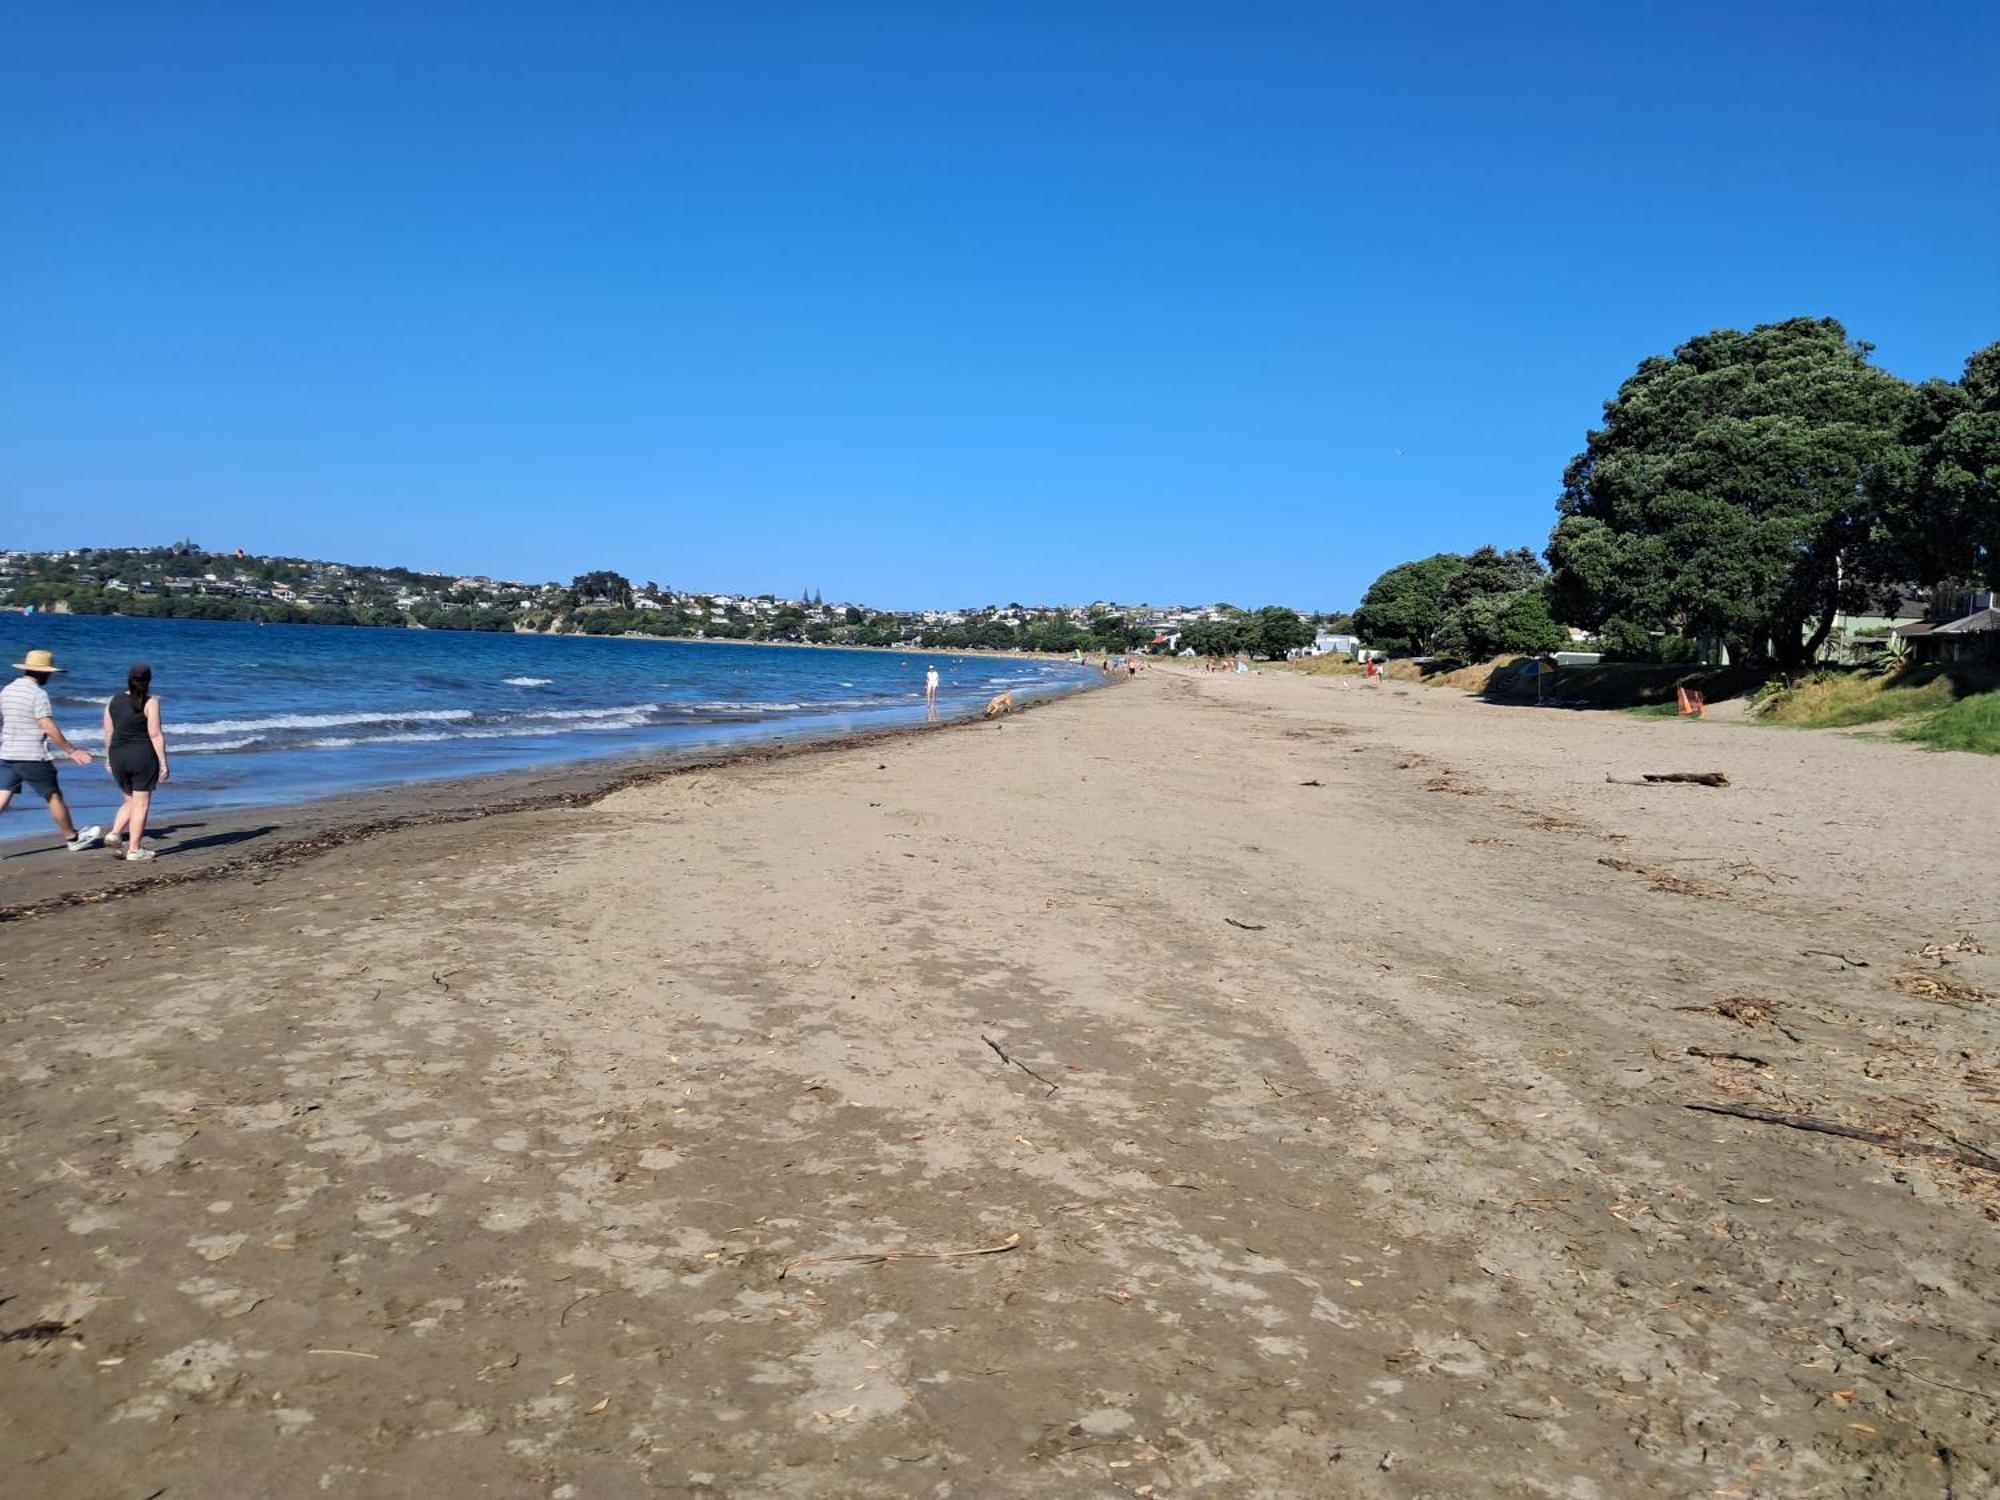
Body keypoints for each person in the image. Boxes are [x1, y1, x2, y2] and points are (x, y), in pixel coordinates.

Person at [0, 648, 102, 851]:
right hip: (32, 755)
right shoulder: (38, 694)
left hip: (7, 752)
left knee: (3, 795)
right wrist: (71, 750)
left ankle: (72, 837)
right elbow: (46, 724)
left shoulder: (7, 690)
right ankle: (73, 838)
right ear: (44, 672)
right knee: (53, 795)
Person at [102, 662, 169, 861]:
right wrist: (163, 763)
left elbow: (108, 733)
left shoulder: (112, 701)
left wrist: (108, 758)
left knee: (130, 800)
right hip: (141, 757)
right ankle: (134, 849)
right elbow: (155, 735)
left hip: (118, 755)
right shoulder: (151, 702)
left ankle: (114, 834)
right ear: (149, 680)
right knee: (140, 804)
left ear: (129, 679)